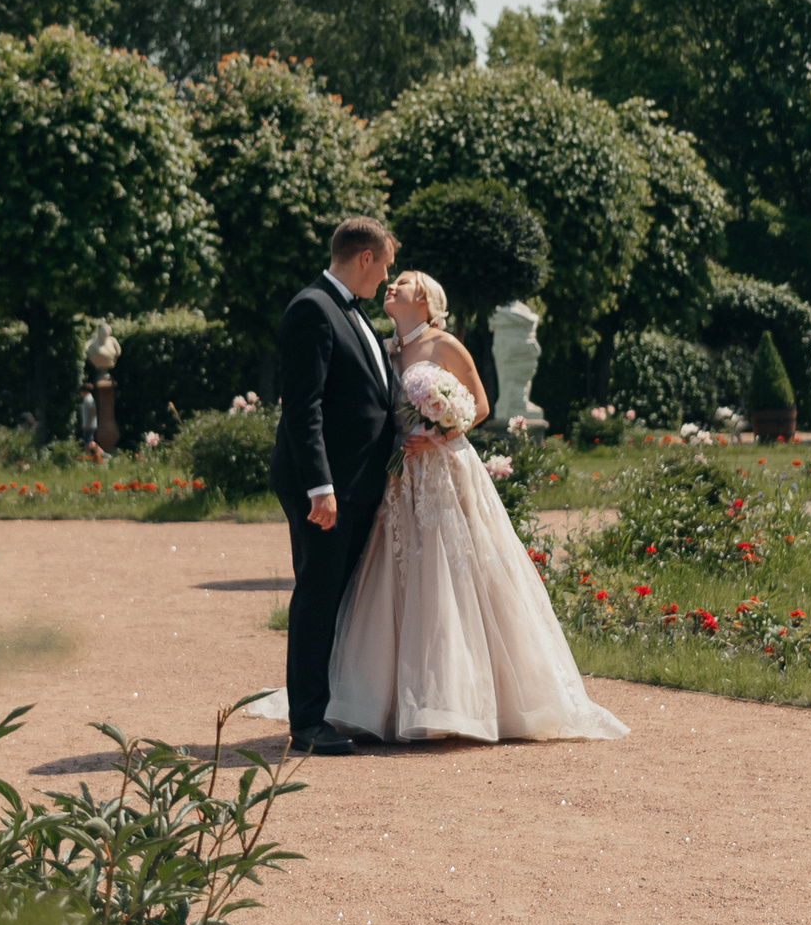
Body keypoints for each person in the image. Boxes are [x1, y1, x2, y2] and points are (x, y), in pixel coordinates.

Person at [257, 266, 627, 747]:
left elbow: (480, 406)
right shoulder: (384, 347)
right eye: (391, 277)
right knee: (394, 577)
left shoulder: (445, 344)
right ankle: (384, 699)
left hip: (444, 472)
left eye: (404, 281)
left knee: (449, 575)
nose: (392, 283)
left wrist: (439, 433)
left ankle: (459, 696)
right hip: (397, 477)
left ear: (426, 300)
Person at [265, 217, 407, 756]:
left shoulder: (352, 312)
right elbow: (304, 408)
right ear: (365, 257)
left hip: (357, 483)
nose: (386, 277)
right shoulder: (312, 308)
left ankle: (328, 707)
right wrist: (319, 487)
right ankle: (306, 722)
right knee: (318, 597)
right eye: (385, 264)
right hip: (328, 489)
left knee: (340, 599)